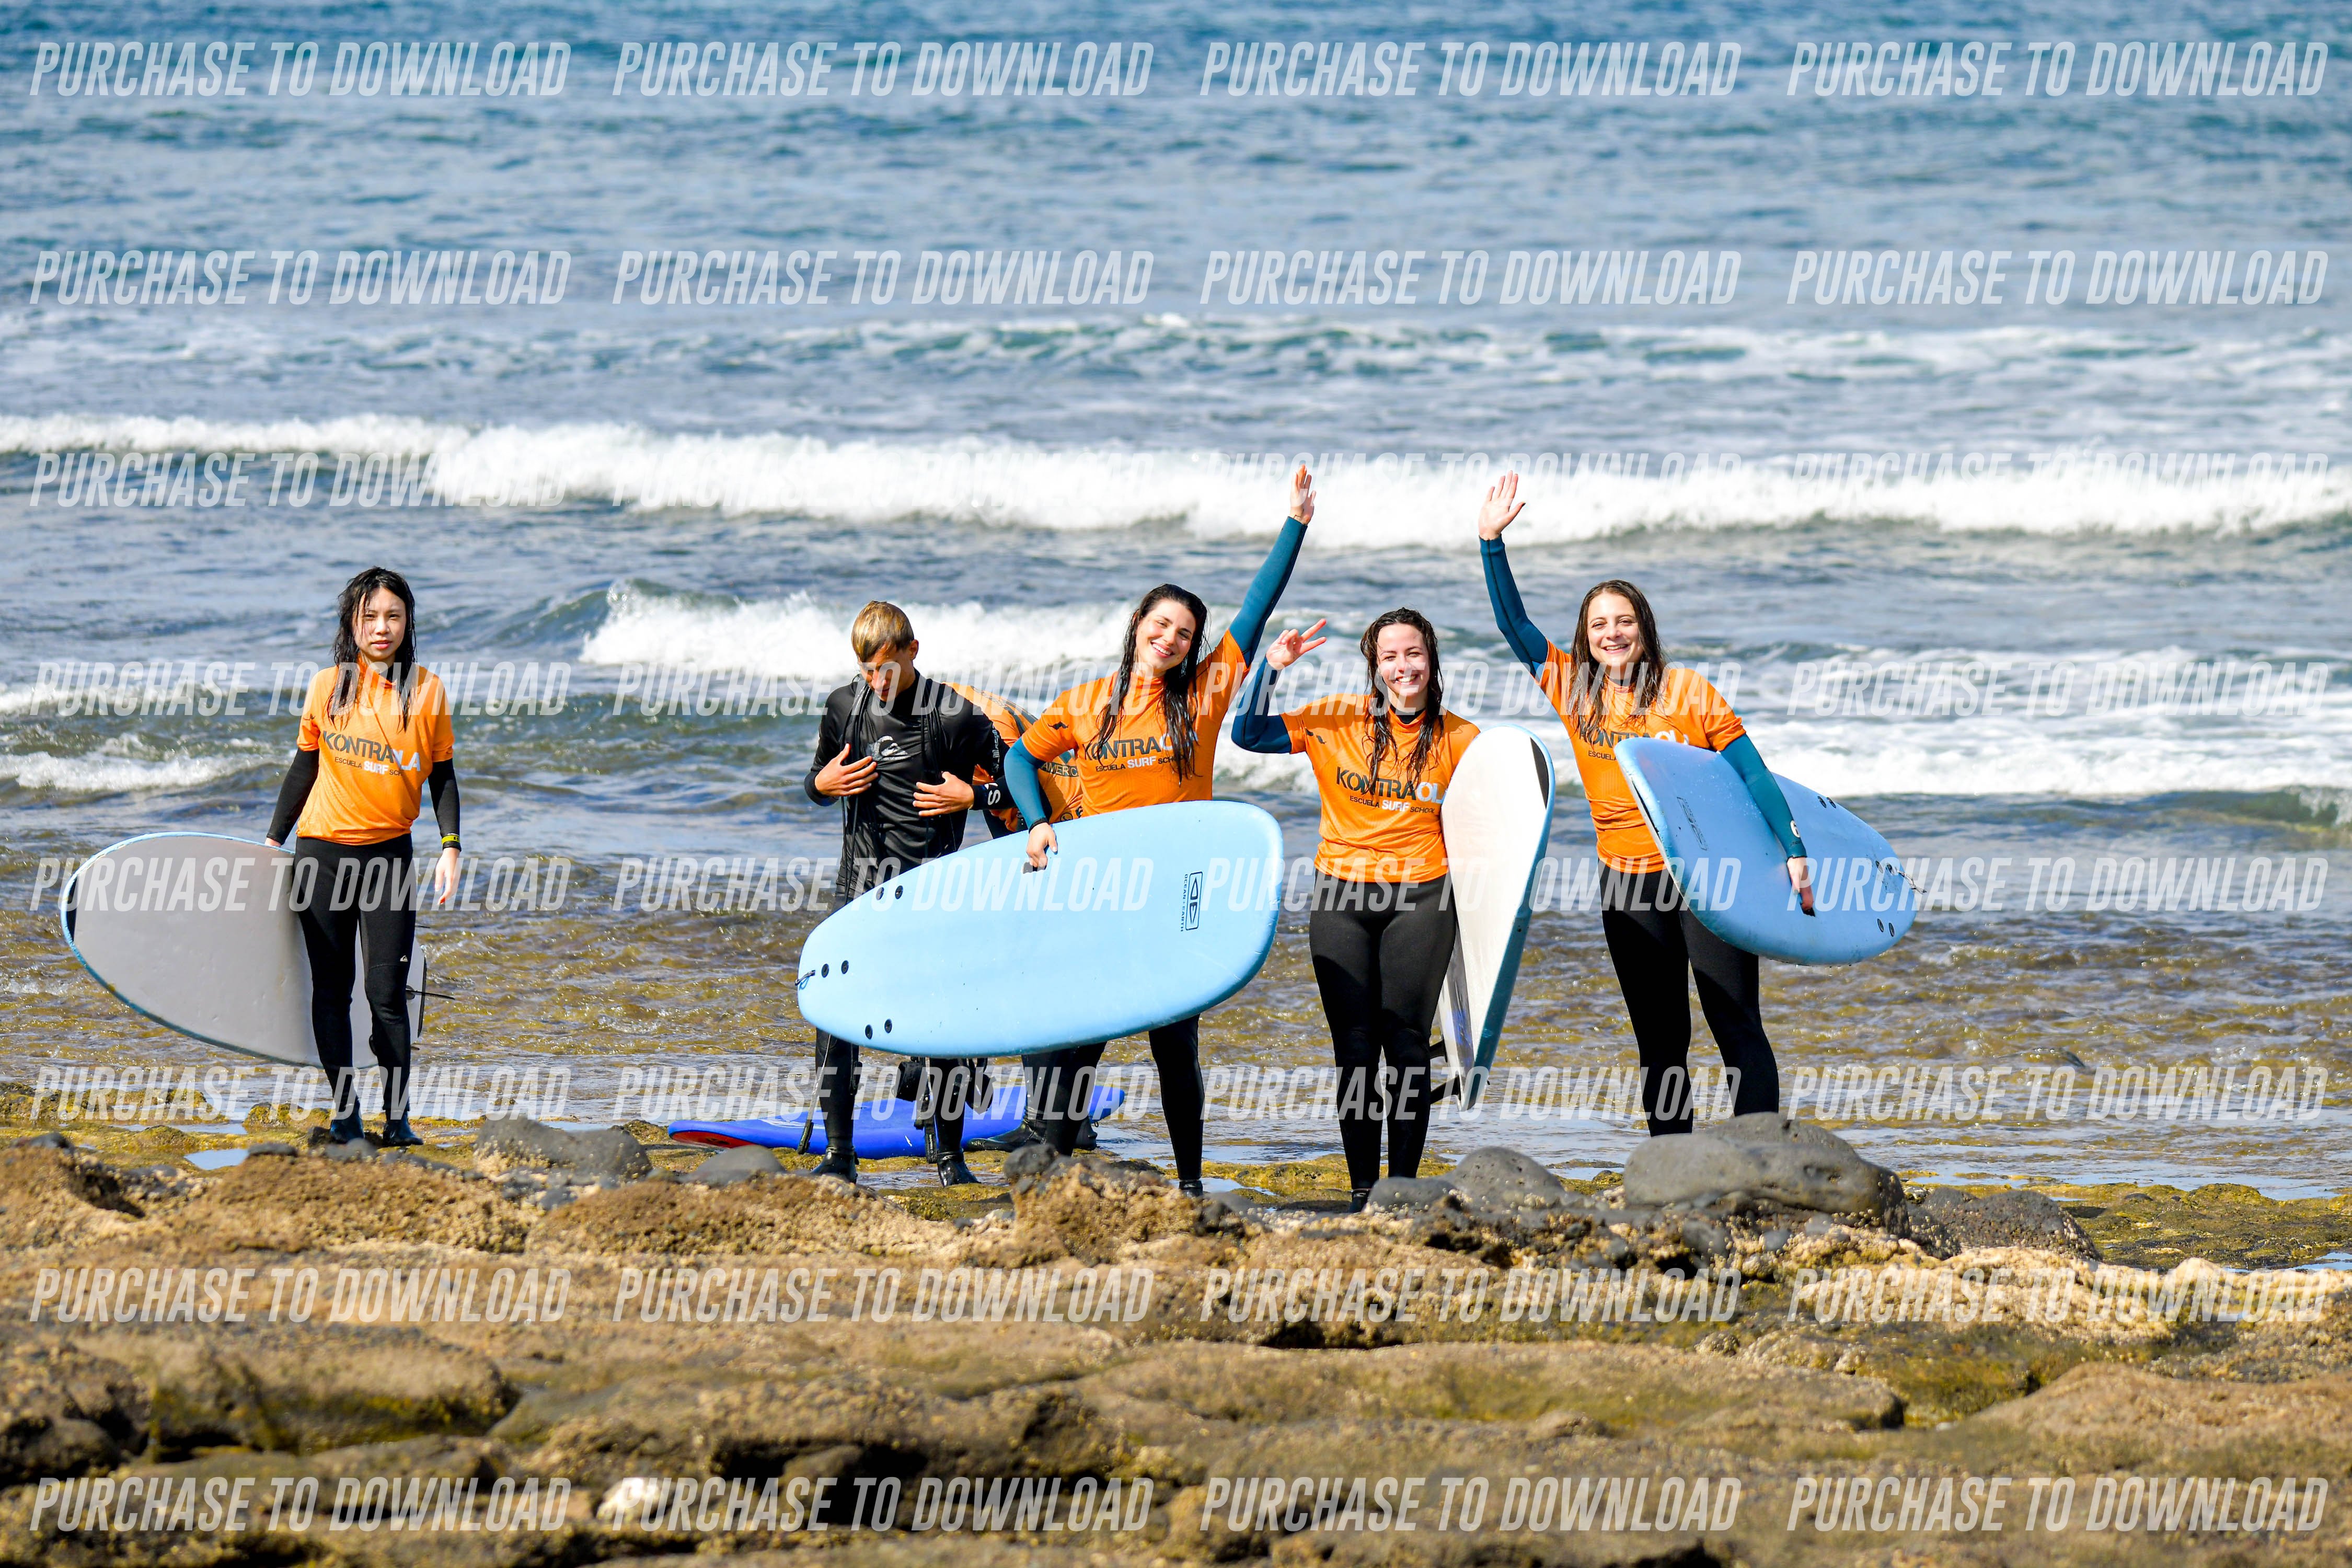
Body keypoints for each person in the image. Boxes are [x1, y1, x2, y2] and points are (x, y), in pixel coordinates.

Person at [999, 466, 1315, 1193]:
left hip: (1175, 894)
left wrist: (1295, 523)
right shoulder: (1084, 703)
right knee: (1079, 1041)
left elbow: (1256, 610)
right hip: (1100, 889)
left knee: (1175, 1047)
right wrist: (1037, 824)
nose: (1171, 638)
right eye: (1161, 624)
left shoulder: (1204, 696)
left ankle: (1191, 1184)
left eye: (1185, 633)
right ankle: (1054, 1177)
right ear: (1139, 624)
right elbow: (1019, 758)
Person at [1478, 472, 1814, 1136]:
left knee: (1735, 1021)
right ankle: (1673, 1165)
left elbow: (1752, 774)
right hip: (1628, 881)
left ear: (1645, 628)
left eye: (1624, 621)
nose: (1613, 633)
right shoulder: (1574, 690)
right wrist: (1492, 543)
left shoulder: (1688, 692)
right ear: (1585, 636)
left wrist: (1794, 849)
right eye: (1599, 624)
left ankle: (1760, 1156)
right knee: (1661, 1038)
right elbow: (1515, 626)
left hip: (1709, 877)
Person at [1232, 608, 1479, 1210]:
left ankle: (1404, 1187)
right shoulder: (1334, 719)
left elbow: (1492, 825)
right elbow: (1248, 735)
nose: (1403, 667)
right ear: (1375, 667)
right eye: (1390, 657)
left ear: (1432, 659)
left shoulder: (1462, 739)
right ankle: (1363, 1191)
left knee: (1408, 1045)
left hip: (1422, 896)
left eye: (1413, 653)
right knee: (1355, 1050)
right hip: (1341, 897)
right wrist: (1271, 669)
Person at [803, 602, 1005, 1185]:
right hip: (859, 887)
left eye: (886, 670)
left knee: (942, 1021)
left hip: (931, 889)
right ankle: (840, 1155)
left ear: (913, 651)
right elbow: (815, 781)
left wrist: (974, 797)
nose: (877, 682)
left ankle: (951, 1157)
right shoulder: (844, 707)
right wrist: (822, 784)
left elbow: (1017, 781)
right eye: (867, 671)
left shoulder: (955, 716)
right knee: (834, 1015)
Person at [266, 567, 460, 1147]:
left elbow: (443, 776)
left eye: (393, 616)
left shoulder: (427, 691)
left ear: (408, 623)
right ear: (352, 623)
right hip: (321, 855)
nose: (382, 627)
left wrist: (451, 846)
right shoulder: (327, 686)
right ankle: (345, 1113)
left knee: (387, 996)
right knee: (332, 991)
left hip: (389, 860)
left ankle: (398, 1119)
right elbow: (304, 766)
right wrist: (273, 842)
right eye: (370, 616)